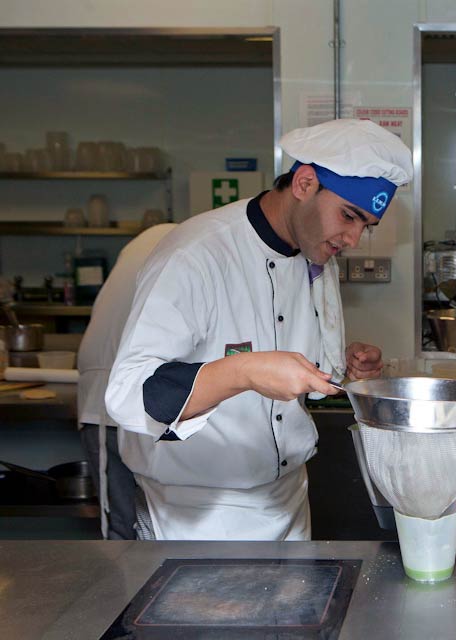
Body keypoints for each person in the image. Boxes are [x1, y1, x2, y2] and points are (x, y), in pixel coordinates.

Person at [106, 118, 412, 541]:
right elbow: (127, 392)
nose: (354, 239)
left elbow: (301, 355)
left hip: (288, 500)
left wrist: (345, 364)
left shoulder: (316, 257)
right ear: (305, 183)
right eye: (349, 216)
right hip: (196, 512)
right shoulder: (197, 254)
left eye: (366, 226)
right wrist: (243, 371)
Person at [77, 222, 176, 540]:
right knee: (156, 533)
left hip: (100, 405)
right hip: (134, 407)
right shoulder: (192, 249)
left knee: (124, 533)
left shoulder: (145, 241)